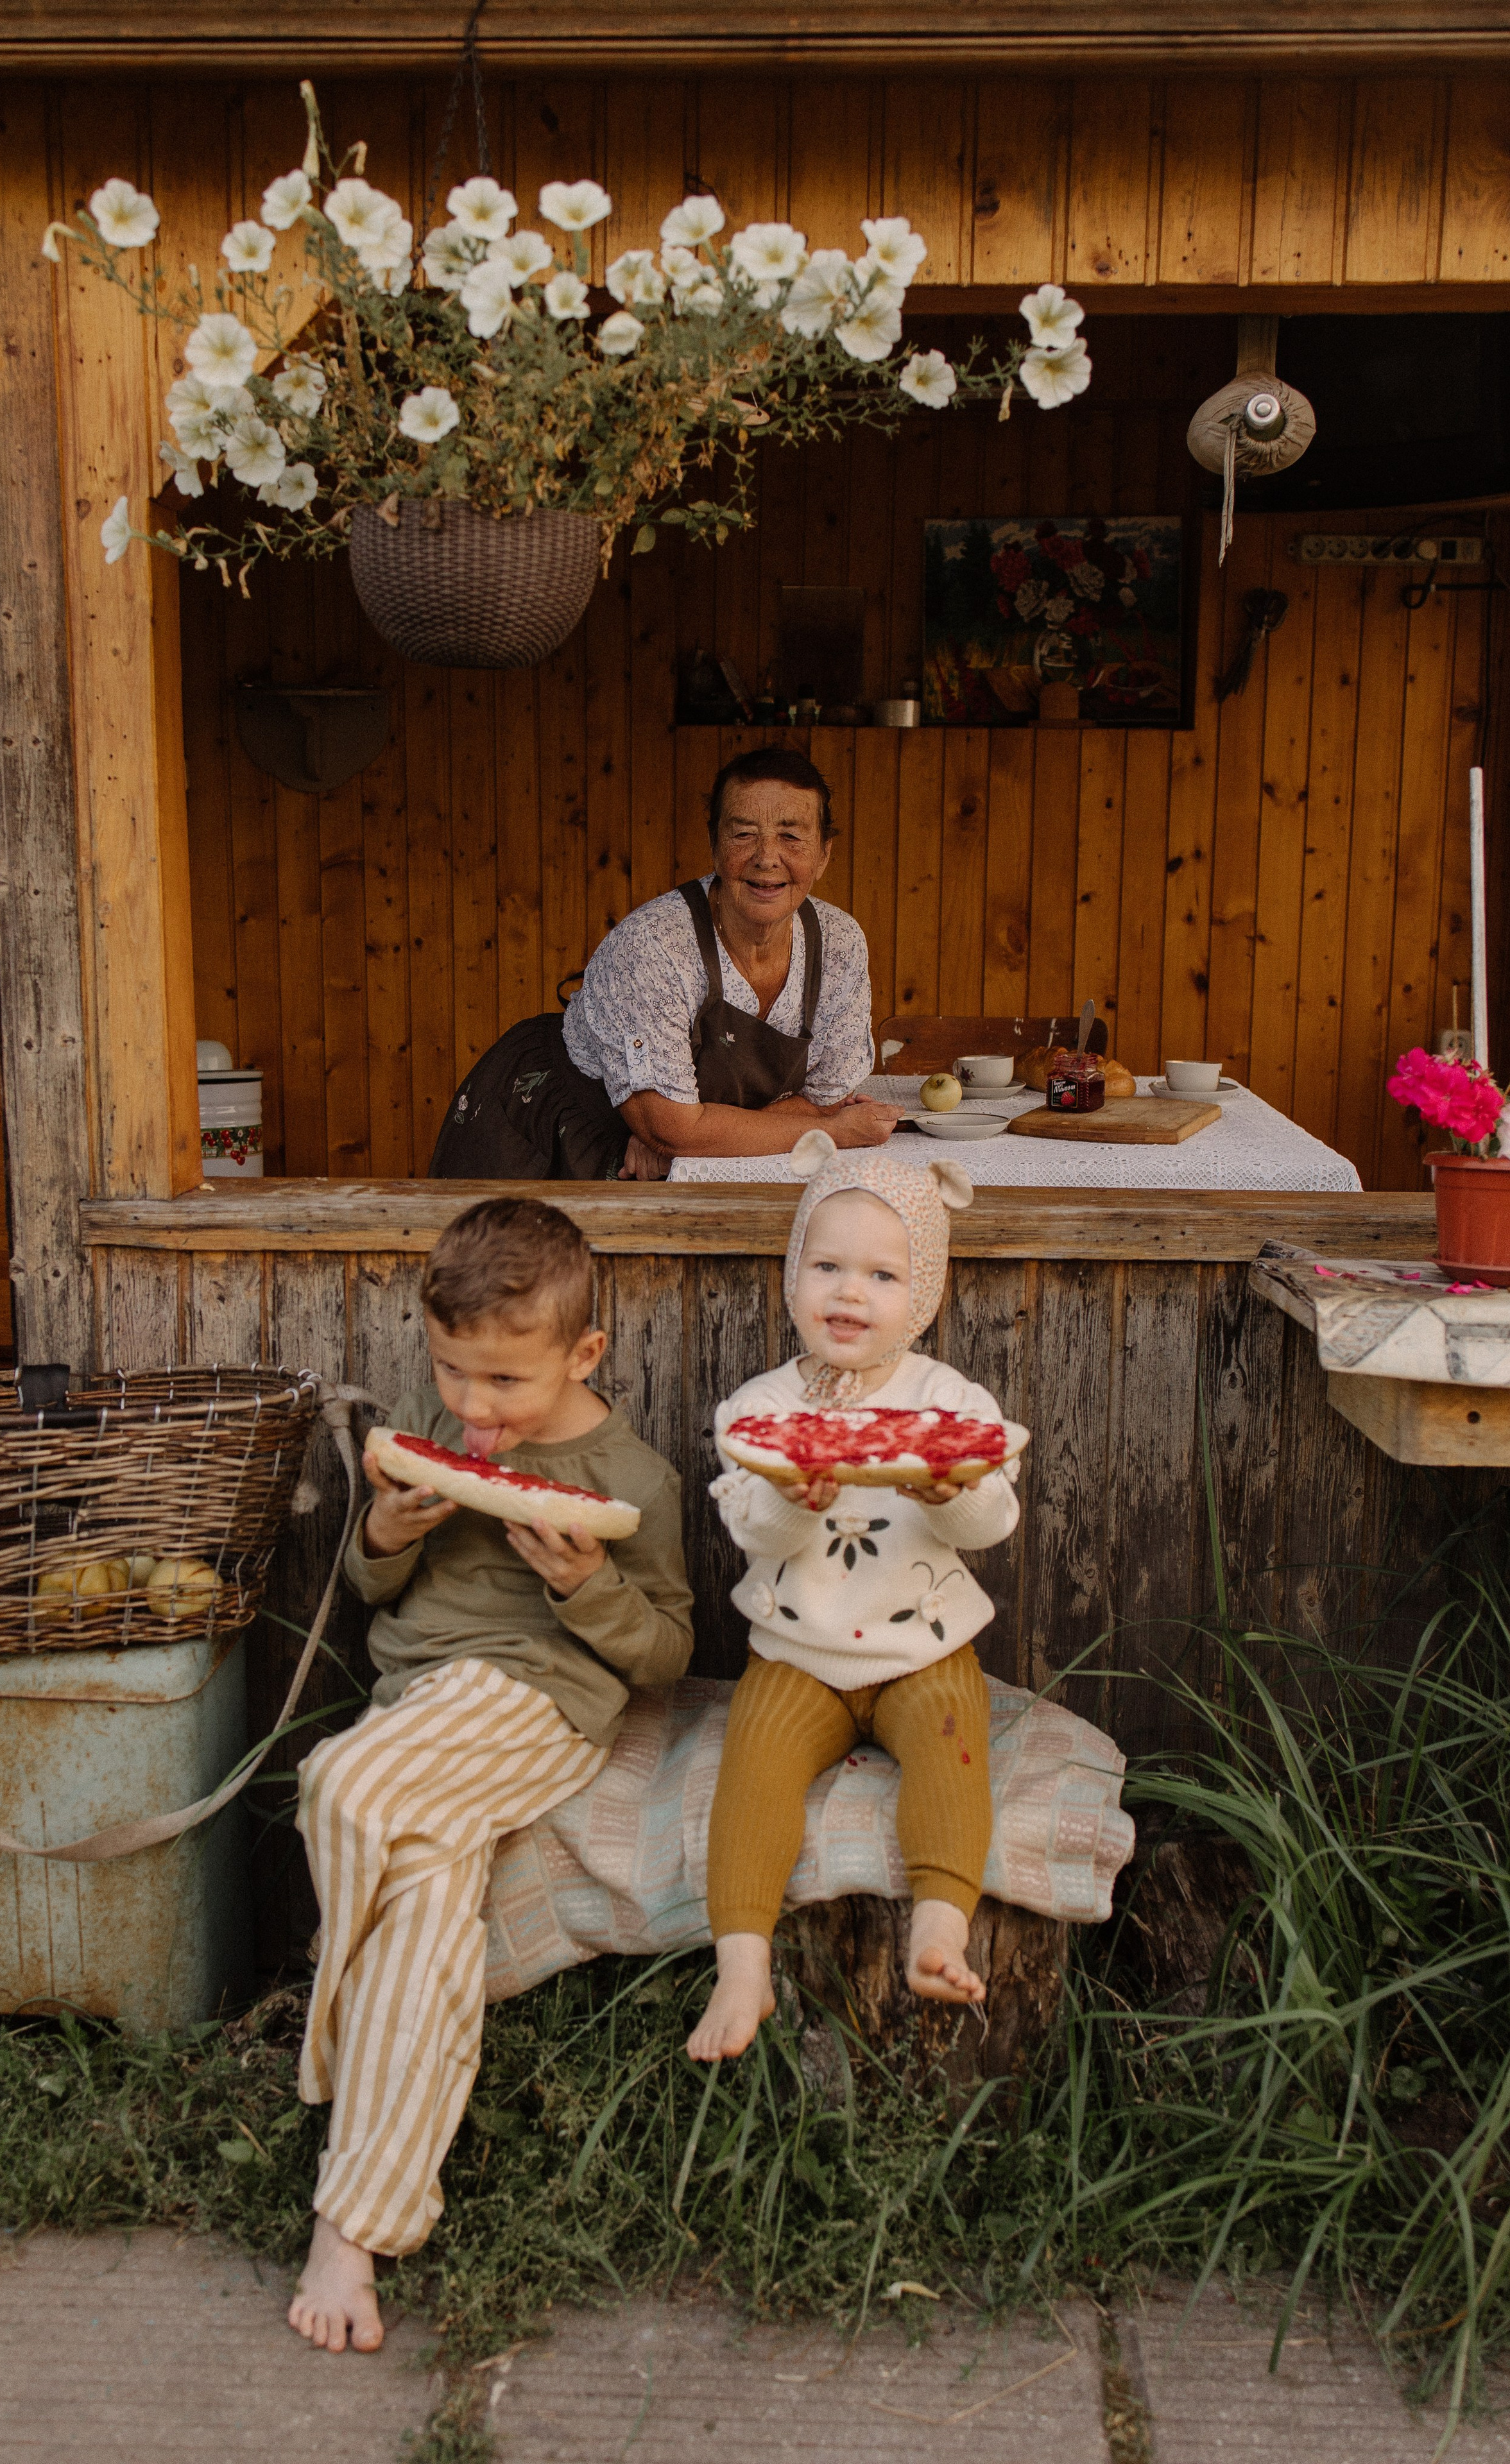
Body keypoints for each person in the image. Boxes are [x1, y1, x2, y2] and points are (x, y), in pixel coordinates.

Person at [286, 1197, 694, 2353]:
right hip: (420, 1706)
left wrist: (583, 1588)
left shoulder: (634, 1479)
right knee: (425, 1903)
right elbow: (372, 1594)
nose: (473, 1409)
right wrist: (388, 1535)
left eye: (507, 1385)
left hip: (543, 1705)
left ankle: (323, 2051)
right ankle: (356, 2227)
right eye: (454, 1373)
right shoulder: (424, 1423)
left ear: (585, 1354)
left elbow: (667, 1653)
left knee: (342, 1789)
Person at [686, 1131, 1022, 2062]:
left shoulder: (952, 1400)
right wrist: (793, 1497)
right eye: (825, 1265)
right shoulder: (758, 1409)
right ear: (793, 1273)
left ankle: (940, 1926)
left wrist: (957, 1490)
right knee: (751, 1777)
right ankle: (743, 1962)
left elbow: (991, 1521)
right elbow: (754, 1530)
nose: (847, 1293)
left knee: (956, 1760)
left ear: (922, 1293)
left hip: (926, 1650)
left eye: (880, 1275)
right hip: (797, 1651)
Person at [428, 746, 901, 1180]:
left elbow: (825, 1099)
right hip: (555, 1133)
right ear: (715, 846)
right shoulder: (654, 946)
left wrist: (694, 1140)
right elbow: (675, 1127)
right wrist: (835, 1133)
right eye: (743, 834)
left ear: (824, 855)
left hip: (665, 1149)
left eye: (791, 836)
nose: (767, 858)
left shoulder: (839, 944)